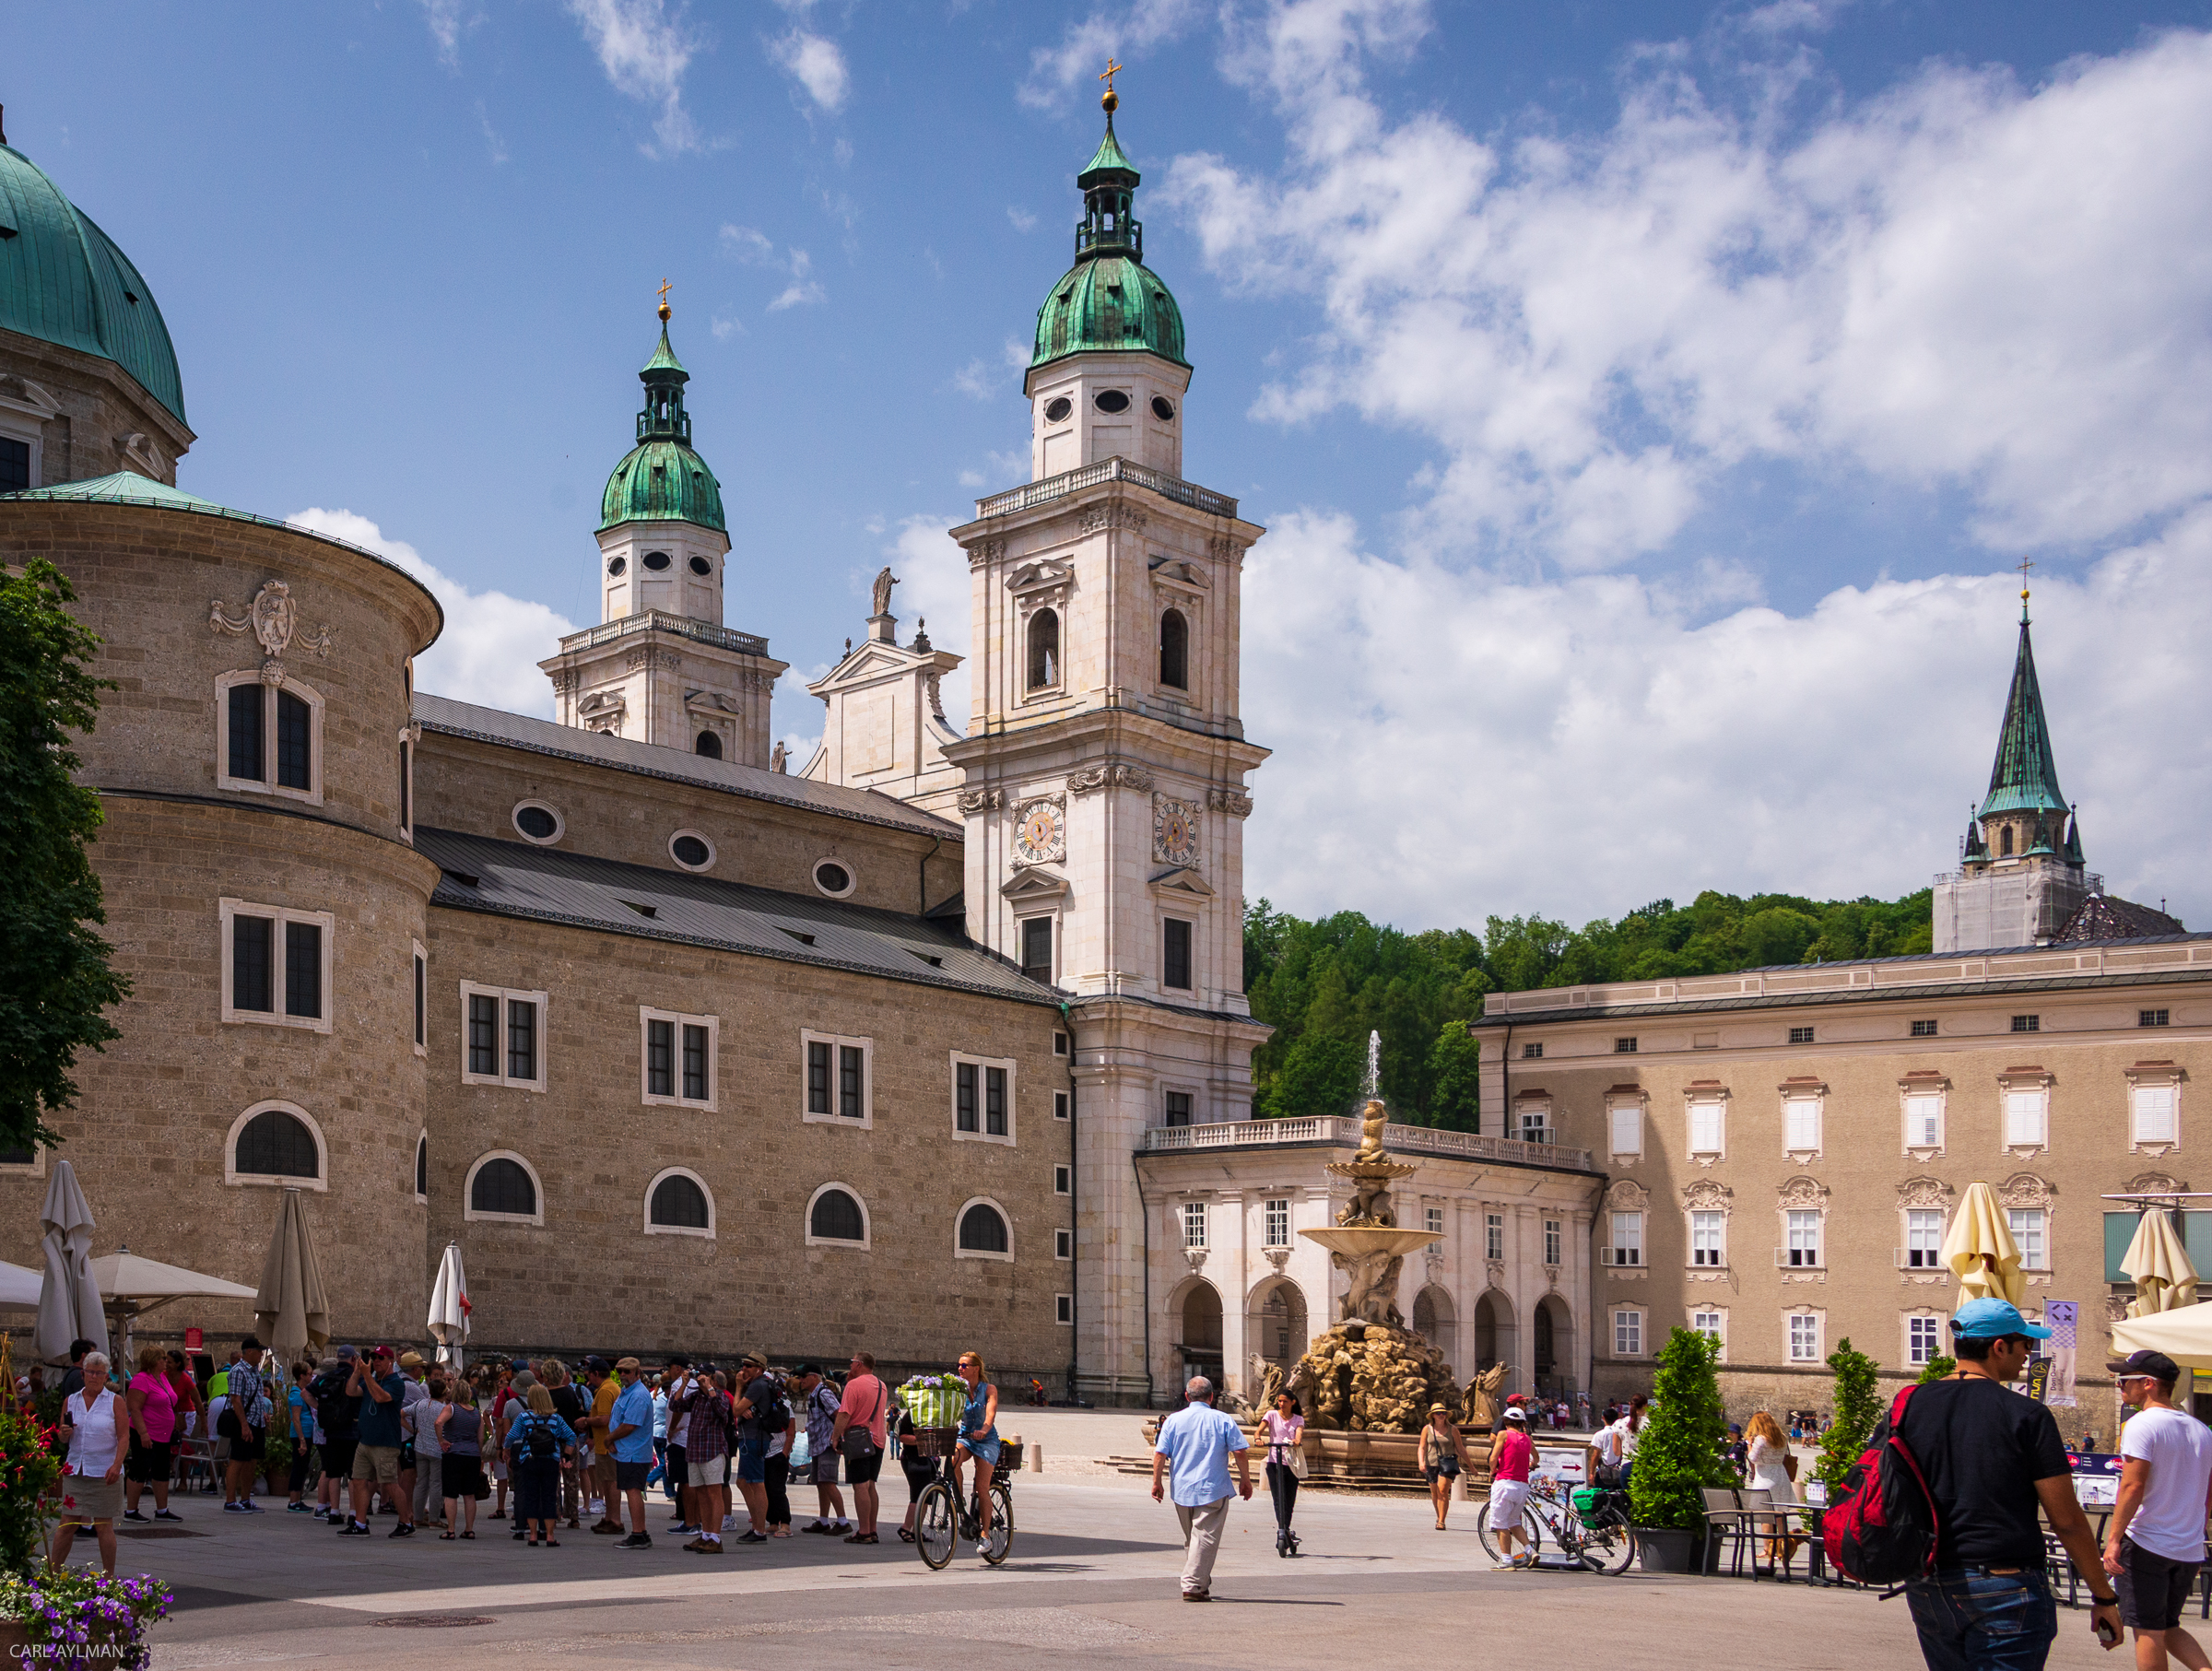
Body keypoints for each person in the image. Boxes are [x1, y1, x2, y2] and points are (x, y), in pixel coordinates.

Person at [1896, 1299, 2120, 1668]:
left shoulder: (1908, 1405)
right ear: (1999, 1347)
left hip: (1928, 1581)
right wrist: (2104, 1597)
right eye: (2026, 1345)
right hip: (2005, 1586)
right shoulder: (2025, 1414)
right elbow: (2065, 1519)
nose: (2029, 1356)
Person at [2102, 1348, 2212, 1671]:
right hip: (2187, 1547)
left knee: (2148, 1629)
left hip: (2146, 1541)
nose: (2120, 1386)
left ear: (2148, 1383)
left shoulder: (2141, 1424)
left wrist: (2113, 1539)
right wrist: (2194, 1528)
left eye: (2124, 1380)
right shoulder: (2201, 1430)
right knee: (2167, 1624)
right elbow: (2208, 1493)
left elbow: (2132, 1486)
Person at [1149, 1374, 1253, 1601]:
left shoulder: (1173, 1421)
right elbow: (1240, 1451)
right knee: (1204, 1538)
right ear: (1211, 1397)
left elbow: (1159, 1454)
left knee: (1194, 1539)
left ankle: (1201, 1583)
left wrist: (1157, 1482)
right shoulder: (1222, 1419)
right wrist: (1245, 1479)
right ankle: (1192, 1585)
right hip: (1212, 1487)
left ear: (1187, 1396)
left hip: (1182, 1488)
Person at [50, 1350, 128, 1577]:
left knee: (104, 1525)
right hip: (76, 1469)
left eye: (99, 1373)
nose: (93, 1376)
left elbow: (124, 1437)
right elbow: (63, 1437)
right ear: (82, 1374)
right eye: (90, 1372)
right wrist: (63, 1433)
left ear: (106, 1377)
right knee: (67, 1523)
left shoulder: (115, 1401)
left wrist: (116, 1465)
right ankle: (53, 1574)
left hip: (105, 1472)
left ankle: (108, 1576)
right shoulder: (71, 1400)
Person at [343, 1345, 411, 1538]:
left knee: (389, 1484)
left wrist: (368, 1376)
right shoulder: (369, 1379)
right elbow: (350, 1391)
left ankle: (406, 1522)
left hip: (385, 1443)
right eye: (374, 1357)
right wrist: (358, 1372)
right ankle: (360, 1523)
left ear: (391, 1361)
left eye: (381, 1357)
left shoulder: (396, 1383)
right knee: (358, 1481)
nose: (377, 1361)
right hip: (365, 1441)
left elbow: (381, 1397)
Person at [505, 1383, 577, 1547]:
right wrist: (565, 1455)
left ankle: (532, 1535)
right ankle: (550, 1536)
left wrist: (507, 1449)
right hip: (550, 1460)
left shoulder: (524, 1417)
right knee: (549, 1497)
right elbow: (571, 1436)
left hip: (529, 1459)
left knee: (531, 1496)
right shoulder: (555, 1418)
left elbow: (511, 1436)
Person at [671, 1360, 730, 1554]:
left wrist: (710, 1388)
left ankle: (716, 1537)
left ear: (713, 1377)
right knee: (701, 1494)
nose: (701, 1378)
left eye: (705, 1375)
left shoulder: (720, 1396)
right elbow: (675, 1405)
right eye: (700, 1374)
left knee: (714, 1494)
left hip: (712, 1451)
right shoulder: (695, 1396)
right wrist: (684, 1384)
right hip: (694, 1451)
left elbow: (723, 1413)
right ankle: (705, 1534)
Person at [833, 1351, 889, 1546]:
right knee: (871, 1485)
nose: (850, 1366)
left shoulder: (853, 1385)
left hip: (858, 1440)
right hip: (878, 1439)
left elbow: (844, 1414)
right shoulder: (882, 1385)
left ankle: (863, 1531)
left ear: (859, 1364)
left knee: (860, 1486)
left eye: (852, 1363)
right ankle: (872, 1529)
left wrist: (835, 1437)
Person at [940, 1351, 994, 1554]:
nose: (960, 1369)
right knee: (953, 1457)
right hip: (965, 1437)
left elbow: (990, 1414)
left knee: (982, 1487)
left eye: (964, 1365)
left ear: (976, 1369)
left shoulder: (989, 1389)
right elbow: (947, 1411)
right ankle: (959, 1499)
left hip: (986, 1440)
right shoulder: (957, 1390)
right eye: (959, 1365)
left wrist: (984, 1430)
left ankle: (985, 1536)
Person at [123, 1345, 179, 1524]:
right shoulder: (141, 1380)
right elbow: (134, 1408)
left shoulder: (162, 1378)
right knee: (140, 1468)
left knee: (162, 1471)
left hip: (163, 1434)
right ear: (155, 1361)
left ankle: (162, 1509)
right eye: (163, 1359)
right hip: (146, 1433)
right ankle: (131, 1510)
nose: (166, 1362)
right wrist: (143, 1433)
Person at [793, 1364, 850, 1535]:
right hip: (818, 1444)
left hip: (826, 1444)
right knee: (821, 1484)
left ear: (815, 1376)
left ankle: (843, 1521)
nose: (800, 1380)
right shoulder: (814, 1394)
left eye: (803, 1376)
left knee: (828, 1483)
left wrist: (836, 1438)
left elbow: (839, 1413)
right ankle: (823, 1520)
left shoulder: (823, 1393)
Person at [606, 1357, 655, 1550]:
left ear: (637, 1373)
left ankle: (638, 1533)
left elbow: (630, 1425)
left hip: (634, 1452)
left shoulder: (638, 1394)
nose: (623, 1375)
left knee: (633, 1490)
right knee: (631, 1490)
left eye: (627, 1372)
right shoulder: (627, 1392)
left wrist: (609, 1438)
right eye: (620, 1372)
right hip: (628, 1451)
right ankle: (640, 1532)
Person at [729, 1354, 778, 1543]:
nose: (744, 1369)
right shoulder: (761, 1384)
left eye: (748, 1366)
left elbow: (736, 1410)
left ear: (759, 1369)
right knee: (742, 1482)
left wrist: (739, 1386)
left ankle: (759, 1530)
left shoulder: (758, 1385)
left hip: (753, 1438)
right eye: (743, 1365)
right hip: (752, 1437)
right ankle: (756, 1525)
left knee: (757, 1483)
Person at [1744, 1410, 1797, 1567]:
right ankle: (1783, 1548)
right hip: (1781, 1477)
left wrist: (1749, 1445)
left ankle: (1768, 1549)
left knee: (1766, 1516)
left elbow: (1753, 1458)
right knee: (1780, 1516)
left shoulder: (1761, 1439)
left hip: (1765, 1479)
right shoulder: (1782, 1438)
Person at [220, 1335, 268, 1512]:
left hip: (257, 1421)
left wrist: (262, 1412)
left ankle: (246, 1499)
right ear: (248, 1352)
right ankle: (230, 1501)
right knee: (238, 1460)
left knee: (251, 1461)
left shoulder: (255, 1370)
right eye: (258, 1352)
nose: (261, 1355)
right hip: (244, 1422)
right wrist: (244, 1425)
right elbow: (236, 1399)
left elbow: (254, 1396)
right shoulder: (238, 1371)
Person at [436, 1375, 485, 1540]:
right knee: (469, 1494)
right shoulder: (477, 1413)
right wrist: (479, 1455)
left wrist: (441, 1440)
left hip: (454, 1454)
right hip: (472, 1455)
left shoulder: (451, 1408)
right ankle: (469, 1529)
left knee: (451, 1493)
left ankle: (451, 1529)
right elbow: (480, 1438)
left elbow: (438, 1423)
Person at [544, 1360, 590, 1529]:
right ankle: (574, 1516)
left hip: (550, 1441)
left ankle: (555, 1514)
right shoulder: (570, 1393)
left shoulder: (545, 1396)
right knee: (572, 1479)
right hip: (571, 1440)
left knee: (553, 1479)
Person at [1488, 1406, 1535, 1568]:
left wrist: (1492, 1470)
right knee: (1514, 1522)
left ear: (1505, 1421)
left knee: (1500, 1523)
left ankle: (1506, 1559)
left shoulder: (1503, 1434)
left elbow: (1493, 1457)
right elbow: (1536, 1458)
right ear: (1522, 1423)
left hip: (1505, 1483)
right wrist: (1531, 1464)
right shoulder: (1527, 1438)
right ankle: (1530, 1550)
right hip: (1522, 1486)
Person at [1261, 1390, 1304, 1557]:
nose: (1281, 1404)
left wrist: (1296, 1441)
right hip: (1274, 1462)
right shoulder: (1271, 1415)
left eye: (1285, 1401)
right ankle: (1283, 1529)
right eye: (1279, 1401)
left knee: (1289, 1498)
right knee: (1278, 1498)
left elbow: (1299, 1433)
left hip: (1291, 1463)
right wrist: (1258, 1437)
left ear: (1292, 1402)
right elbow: (1261, 1429)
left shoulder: (1298, 1419)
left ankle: (1285, 1529)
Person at [1419, 1403, 1470, 1531]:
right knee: (1435, 1492)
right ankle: (1439, 1516)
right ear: (1433, 1416)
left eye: (1443, 1413)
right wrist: (1421, 1461)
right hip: (1431, 1463)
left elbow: (1460, 1448)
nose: (1441, 1415)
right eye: (1438, 1413)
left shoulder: (1453, 1429)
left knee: (1442, 1491)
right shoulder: (1427, 1429)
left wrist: (1472, 1467)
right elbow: (1422, 1447)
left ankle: (1441, 1521)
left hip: (1447, 1463)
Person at [894, 1404, 938, 1545]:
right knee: (918, 1494)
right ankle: (906, 1528)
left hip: (930, 1460)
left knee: (926, 1497)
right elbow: (903, 1436)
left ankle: (916, 1530)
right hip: (913, 1458)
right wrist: (922, 1440)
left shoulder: (938, 1414)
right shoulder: (913, 1413)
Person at [761, 1366, 794, 1538]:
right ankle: (773, 1522)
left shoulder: (785, 1405)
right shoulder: (760, 1403)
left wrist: (785, 1453)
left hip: (778, 1452)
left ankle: (785, 1523)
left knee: (777, 1489)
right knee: (766, 1488)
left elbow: (791, 1431)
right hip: (764, 1452)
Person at [661, 1357, 694, 1529]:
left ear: (678, 1368)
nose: (668, 1371)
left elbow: (678, 1407)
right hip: (691, 1438)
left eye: (671, 1367)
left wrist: (672, 1428)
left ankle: (690, 1521)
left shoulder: (678, 1385)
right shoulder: (695, 1383)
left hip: (680, 1439)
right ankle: (692, 1519)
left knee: (685, 1482)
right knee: (690, 1481)